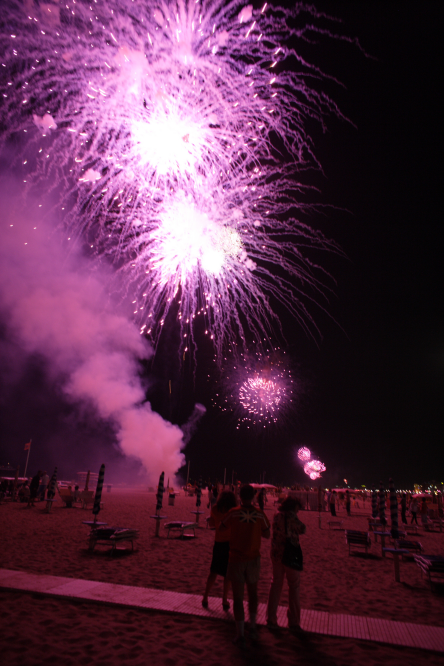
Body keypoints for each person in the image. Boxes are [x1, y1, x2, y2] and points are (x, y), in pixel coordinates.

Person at [221, 484, 270, 647]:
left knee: (238, 598)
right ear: (254, 497)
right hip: (253, 558)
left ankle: (240, 634)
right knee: (253, 594)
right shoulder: (259, 514)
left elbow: (221, 527)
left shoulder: (233, 513)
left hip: (236, 559)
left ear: (239, 496)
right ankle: (254, 627)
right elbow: (267, 534)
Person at [266, 496, 306, 634]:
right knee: (293, 586)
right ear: (293, 507)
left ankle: (271, 618)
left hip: (276, 553)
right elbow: (302, 528)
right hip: (289, 554)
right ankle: (293, 622)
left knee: (275, 584)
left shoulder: (276, 515)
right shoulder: (291, 516)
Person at [202, 490, 237, 611]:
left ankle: (205, 597)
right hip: (231, 544)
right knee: (228, 574)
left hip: (218, 543)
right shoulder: (234, 510)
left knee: (214, 571)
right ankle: (224, 599)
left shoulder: (216, 508)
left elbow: (211, 524)